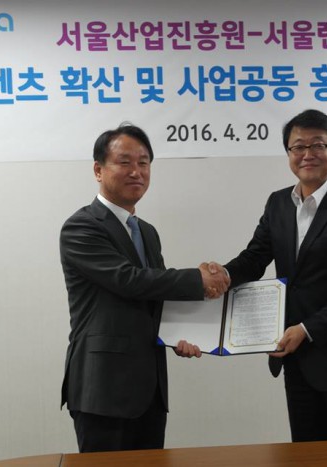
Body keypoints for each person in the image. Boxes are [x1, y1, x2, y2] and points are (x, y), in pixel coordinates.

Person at [213, 109, 327, 441]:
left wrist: (306, 330)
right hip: (297, 360)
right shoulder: (278, 203)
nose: (308, 154)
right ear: (289, 153)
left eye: (318, 145)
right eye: (298, 146)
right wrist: (219, 275)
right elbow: (254, 259)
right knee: (306, 456)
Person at [59, 123, 229, 452]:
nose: (136, 171)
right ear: (98, 170)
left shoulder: (147, 232)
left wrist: (182, 333)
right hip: (103, 389)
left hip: (150, 390)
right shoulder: (81, 226)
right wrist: (198, 280)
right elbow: (129, 280)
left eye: (144, 162)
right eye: (124, 162)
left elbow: (157, 295)